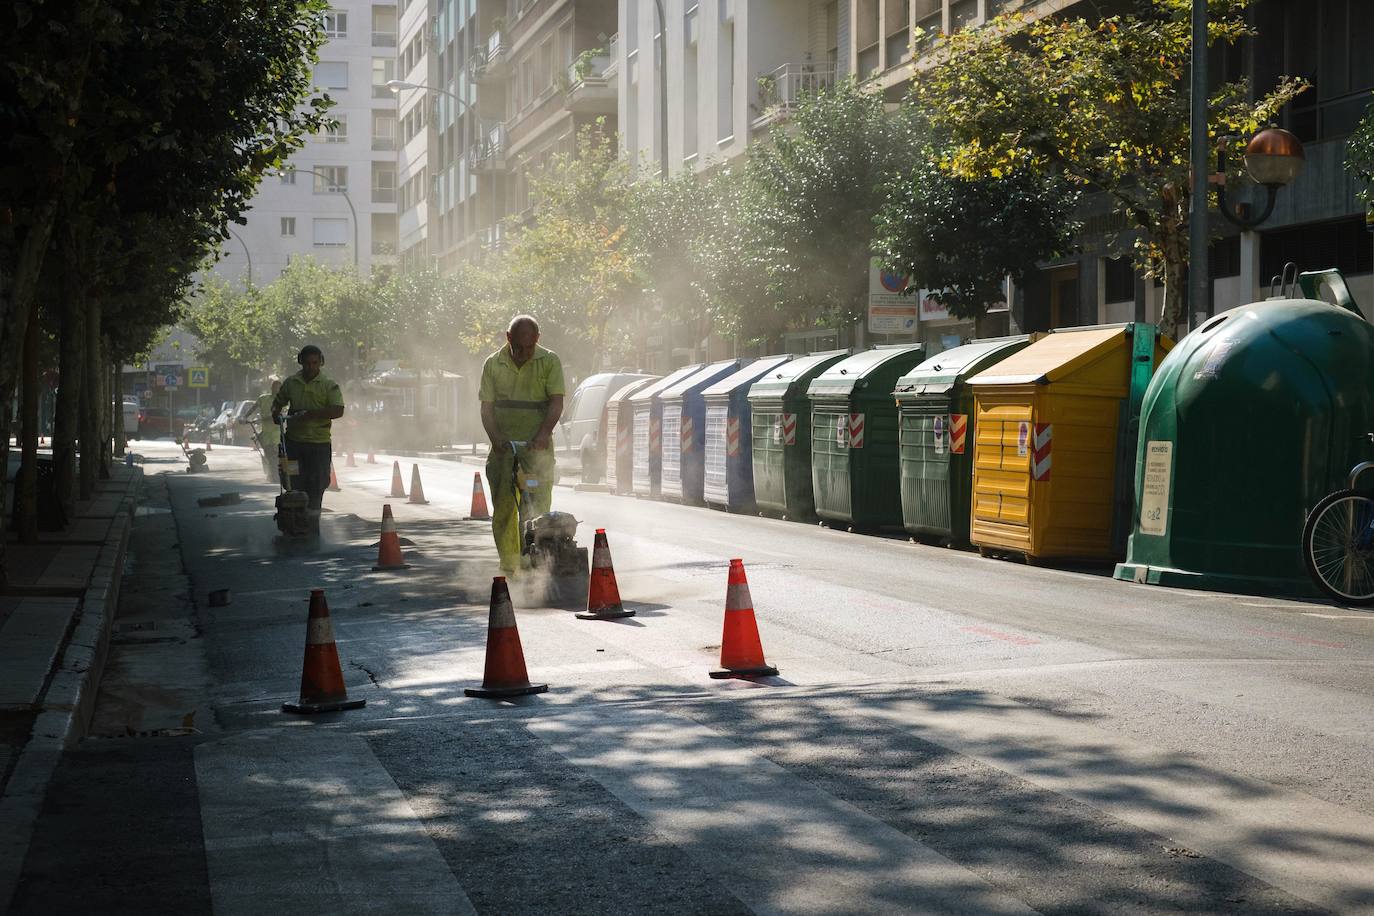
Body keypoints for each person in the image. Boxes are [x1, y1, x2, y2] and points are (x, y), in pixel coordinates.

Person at [478, 315, 566, 575]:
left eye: (529, 347)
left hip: (537, 449)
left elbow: (556, 403)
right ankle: (510, 567)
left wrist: (543, 434)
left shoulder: (549, 361)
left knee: (537, 509)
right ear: (508, 338)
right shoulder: (493, 364)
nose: (524, 353)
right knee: (504, 508)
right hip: (504, 449)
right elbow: (487, 408)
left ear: (538, 340)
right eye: (518, 347)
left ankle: (536, 566)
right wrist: (496, 439)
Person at [272, 345, 345, 532]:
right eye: (307, 363)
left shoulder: (329, 385)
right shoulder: (291, 383)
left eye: (315, 363)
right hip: (293, 444)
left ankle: (313, 521)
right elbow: (278, 402)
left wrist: (311, 415)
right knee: (292, 481)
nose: (311, 367)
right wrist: (276, 412)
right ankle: (293, 519)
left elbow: (338, 410)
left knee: (318, 482)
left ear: (321, 362)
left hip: (319, 445)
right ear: (300, 362)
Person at [252, 378, 282, 482]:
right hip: (265, 431)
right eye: (275, 387)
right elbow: (253, 407)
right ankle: (271, 473)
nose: (277, 390)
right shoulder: (263, 398)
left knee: (275, 452)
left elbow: (282, 413)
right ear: (271, 388)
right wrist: (245, 417)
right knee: (268, 453)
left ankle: (276, 475)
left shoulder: (282, 400)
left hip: (277, 431)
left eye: (279, 388)